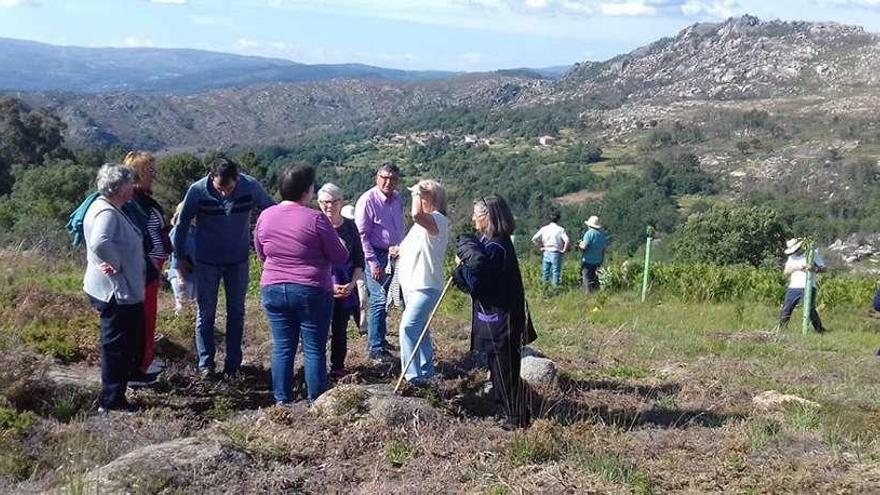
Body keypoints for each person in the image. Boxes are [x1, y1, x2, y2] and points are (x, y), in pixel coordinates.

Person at [173, 157, 275, 379]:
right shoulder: (197, 191)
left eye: (229, 188)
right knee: (206, 313)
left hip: (237, 261)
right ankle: (206, 364)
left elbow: (270, 210)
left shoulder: (250, 186)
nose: (225, 194)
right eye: (220, 188)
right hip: (207, 261)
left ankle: (233, 364)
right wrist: (179, 257)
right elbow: (181, 224)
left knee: (236, 313)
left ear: (237, 179)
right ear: (211, 178)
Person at [254, 165, 348, 405]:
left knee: (282, 347)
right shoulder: (315, 218)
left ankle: (282, 401)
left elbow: (261, 253)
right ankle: (317, 401)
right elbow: (339, 256)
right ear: (307, 191)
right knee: (314, 348)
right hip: (311, 289)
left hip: (273, 286)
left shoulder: (266, 216)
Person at [453, 195, 533, 429]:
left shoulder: (496, 246)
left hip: (503, 319)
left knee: (505, 368)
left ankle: (516, 417)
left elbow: (479, 283)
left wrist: (460, 272)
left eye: (476, 215)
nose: (473, 219)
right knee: (498, 365)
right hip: (497, 316)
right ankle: (505, 409)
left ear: (486, 217)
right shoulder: (492, 242)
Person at [82, 163, 145, 413]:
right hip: (115, 291)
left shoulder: (104, 206)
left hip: (115, 287)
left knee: (119, 344)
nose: (133, 187)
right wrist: (116, 263)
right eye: (130, 183)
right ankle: (111, 401)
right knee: (116, 346)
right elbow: (99, 242)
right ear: (119, 188)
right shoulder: (106, 212)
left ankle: (115, 395)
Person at [123, 151, 171, 377]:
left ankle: (141, 363)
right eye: (149, 171)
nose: (154, 175)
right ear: (139, 173)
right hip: (143, 270)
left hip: (150, 269)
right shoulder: (134, 203)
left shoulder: (141, 201)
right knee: (143, 319)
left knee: (146, 318)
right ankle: (139, 368)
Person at [397, 180, 449, 386]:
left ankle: (412, 376)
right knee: (421, 329)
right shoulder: (421, 227)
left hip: (425, 286)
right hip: (412, 285)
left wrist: (415, 192)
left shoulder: (438, 219)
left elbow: (416, 214)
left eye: (424, 194)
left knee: (408, 328)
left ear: (433, 199)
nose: (419, 197)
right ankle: (427, 370)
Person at [354, 163, 404, 362]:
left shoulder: (398, 198)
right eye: (384, 177)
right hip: (375, 254)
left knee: (389, 300)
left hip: (395, 254)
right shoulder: (368, 200)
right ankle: (374, 347)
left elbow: (399, 225)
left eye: (392, 178)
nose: (388, 182)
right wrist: (373, 263)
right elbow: (362, 235)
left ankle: (381, 340)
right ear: (377, 178)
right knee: (379, 299)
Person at [317, 183, 365, 379]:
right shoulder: (315, 225)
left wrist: (352, 284)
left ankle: (338, 366)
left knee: (340, 329)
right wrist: (329, 284)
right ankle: (317, 370)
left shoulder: (350, 227)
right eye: (325, 202)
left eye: (334, 201)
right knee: (318, 330)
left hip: (346, 286)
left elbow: (358, 258)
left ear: (341, 202)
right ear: (319, 203)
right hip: (320, 287)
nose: (329, 206)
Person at [779, 238, 827, 333]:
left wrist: (814, 269)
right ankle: (781, 329)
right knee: (786, 308)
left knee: (809, 309)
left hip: (808, 286)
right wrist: (799, 267)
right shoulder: (791, 258)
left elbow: (824, 268)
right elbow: (786, 272)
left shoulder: (812, 254)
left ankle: (819, 329)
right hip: (793, 287)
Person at [166, 202, 197, 315]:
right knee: (182, 306)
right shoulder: (177, 232)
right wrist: (179, 277)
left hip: (194, 275)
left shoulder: (194, 231)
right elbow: (175, 254)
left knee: (193, 307)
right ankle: (182, 330)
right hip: (181, 275)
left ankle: (190, 330)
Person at [530, 210, 570, 287]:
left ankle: (544, 288)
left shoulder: (544, 228)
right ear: (558, 219)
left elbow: (534, 239)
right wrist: (563, 250)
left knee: (545, 272)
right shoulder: (560, 229)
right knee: (555, 272)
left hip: (546, 251)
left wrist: (540, 247)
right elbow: (567, 240)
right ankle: (555, 289)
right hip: (555, 251)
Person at [578, 215, 608, 292]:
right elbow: (604, 249)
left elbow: (584, 246)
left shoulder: (589, 234)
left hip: (588, 260)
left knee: (586, 278)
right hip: (598, 260)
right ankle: (596, 292)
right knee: (595, 278)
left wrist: (580, 245)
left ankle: (587, 293)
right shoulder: (601, 235)